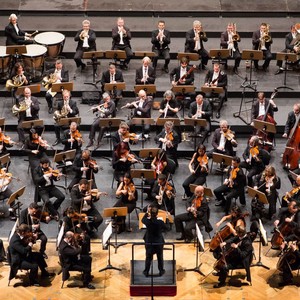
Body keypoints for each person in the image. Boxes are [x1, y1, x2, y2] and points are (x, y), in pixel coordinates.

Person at [142, 205, 168, 277]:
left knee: (148, 257)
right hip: (158, 242)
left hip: (149, 241)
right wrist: (167, 217)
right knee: (160, 257)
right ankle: (161, 271)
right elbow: (167, 227)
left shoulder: (147, 221)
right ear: (157, 214)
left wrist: (147, 212)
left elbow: (142, 219)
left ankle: (146, 271)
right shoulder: (160, 222)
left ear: (150, 213)